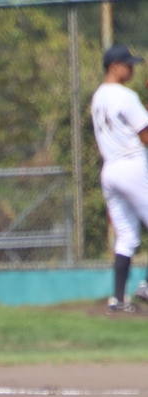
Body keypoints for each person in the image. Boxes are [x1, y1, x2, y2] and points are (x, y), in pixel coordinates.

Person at [91, 44, 148, 313]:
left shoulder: (98, 97)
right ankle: (146, 287)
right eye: (128, 64)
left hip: (110, 170)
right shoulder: (125, 95)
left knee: (126, 236)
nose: (133, 68)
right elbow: (145, 135)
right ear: (115, 67)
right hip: (131, 165)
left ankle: (118, 299)